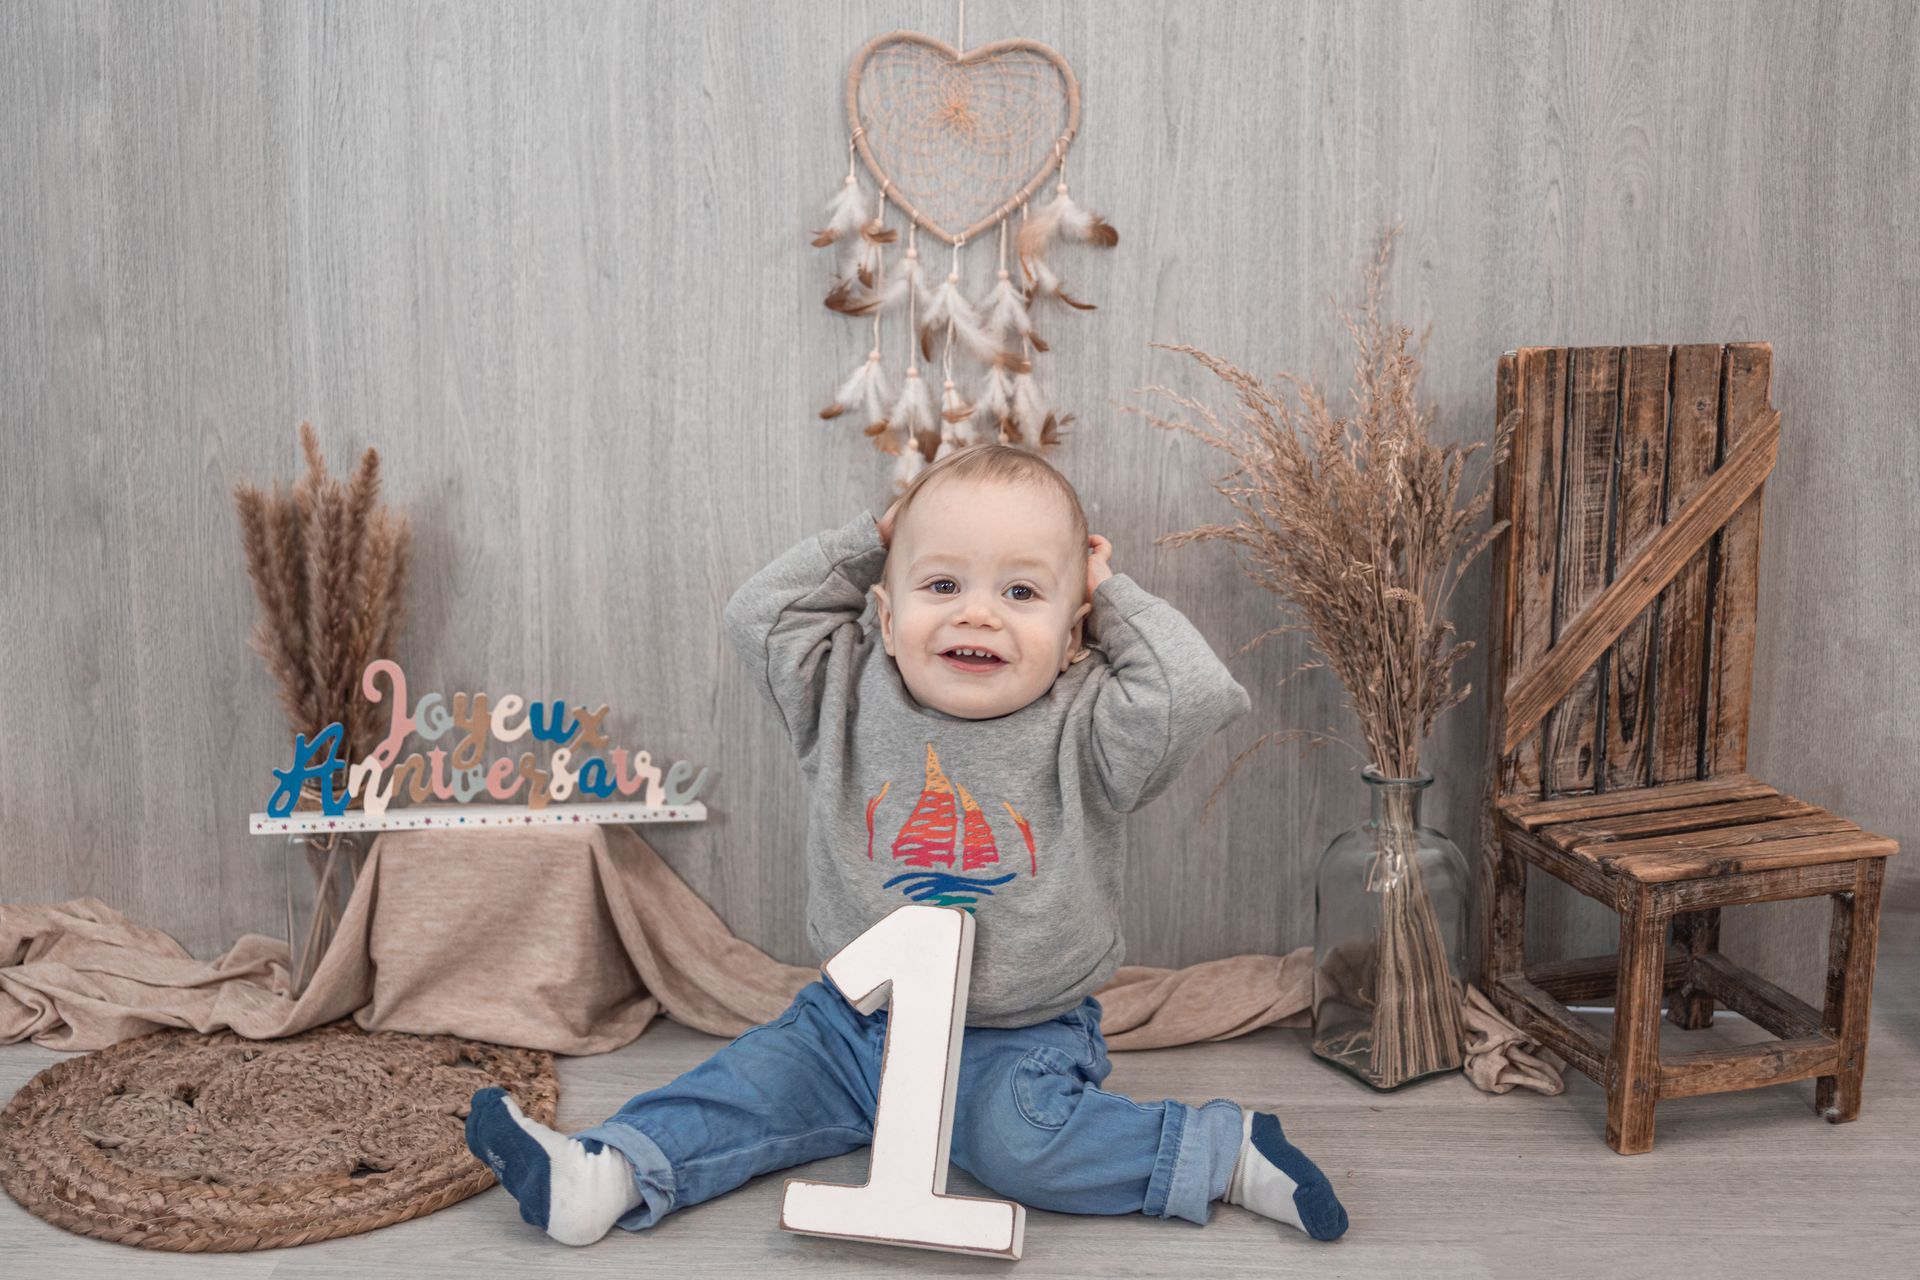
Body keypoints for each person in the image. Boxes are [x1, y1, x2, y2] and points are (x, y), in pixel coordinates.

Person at [466, 444, 1348, 1246]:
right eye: (942, 585)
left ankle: (1222, 1153)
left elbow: (1191, 691)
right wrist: (875, 538)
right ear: (885, 618)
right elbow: (759, 615)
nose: (979, 615)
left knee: (1023, 1146)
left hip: (1016, 1035)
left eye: (1022, 593)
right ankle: (610, 1174)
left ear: (1074, 635)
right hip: (851, 1024)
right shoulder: (843, 693)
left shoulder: (1092, 730)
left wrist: (1107, 592)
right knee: (745, 1086)